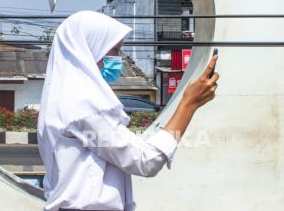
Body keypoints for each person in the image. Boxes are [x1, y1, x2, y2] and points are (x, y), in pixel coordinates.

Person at [38, 11, 219, 211]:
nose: (119, 59)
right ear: (89, 50)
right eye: (114, 50)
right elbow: (145, 160)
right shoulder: (85, 104)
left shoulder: (64, 96)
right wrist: (189, 104)